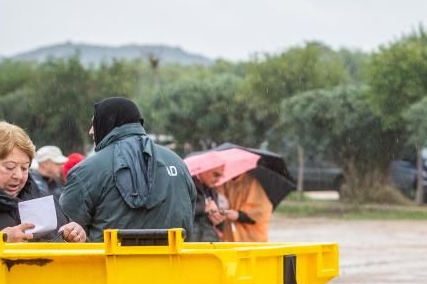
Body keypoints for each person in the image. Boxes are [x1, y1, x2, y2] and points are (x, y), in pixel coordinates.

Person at [59, 97, 195, 242]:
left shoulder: (86, 171)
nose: (91, 131)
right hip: (175, 263)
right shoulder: (178, 163)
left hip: (111, 264)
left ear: (108, 123)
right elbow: (188, 217)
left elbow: (63, 232)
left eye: (94, 123)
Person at [220, 173, 273, 242]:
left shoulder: (254, 182)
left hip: (253, 239)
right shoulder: (224, 182)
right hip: (231, 235)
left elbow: (260, 212)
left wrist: (238, 215)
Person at [190, 166, 227, 242]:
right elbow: (180, 212)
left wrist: (218, 217)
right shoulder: (188, 184)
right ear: (205, 169)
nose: (218, 179)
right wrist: (204, 208)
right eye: (216, 174)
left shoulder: (212, 189)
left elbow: (213, 216)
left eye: (221, 176)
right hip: (191, 241)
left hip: (209, 239)